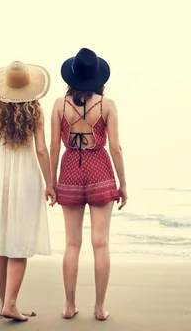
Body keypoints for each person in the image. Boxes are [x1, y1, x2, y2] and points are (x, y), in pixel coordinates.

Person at [49, 47, 128, 321]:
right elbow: (115, 147)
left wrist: (51, 182)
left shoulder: (60, 104)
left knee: (72, 244)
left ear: (72, 76)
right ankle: (99, 308)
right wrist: (123, 183)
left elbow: (53, 148)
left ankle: (69, 306)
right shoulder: (107, 105)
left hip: (70, 168)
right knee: (100, 243)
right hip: (100, 169)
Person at [0, 60, 57, 322]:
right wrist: (50, 183)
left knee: (0, 243)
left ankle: (4, 303)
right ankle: (10, 304)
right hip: (26, 178)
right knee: (19, 243)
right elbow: (42, 150)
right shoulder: (36, 111)